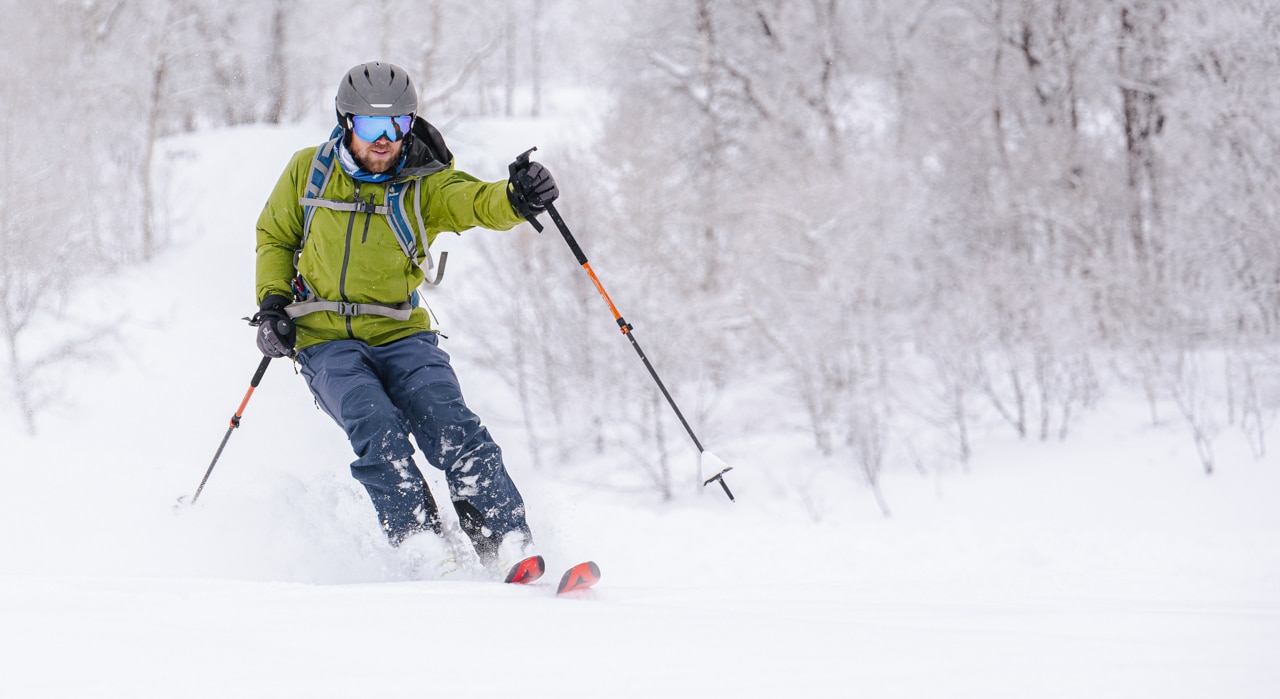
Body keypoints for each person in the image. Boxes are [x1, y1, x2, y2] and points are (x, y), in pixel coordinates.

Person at [251, 62, 558, 573]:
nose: (385, 139)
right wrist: (272, 305)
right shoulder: (309, 171)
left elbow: (476, 201)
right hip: (325, 339)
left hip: (401, 333)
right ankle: (423, 548)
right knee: (377, 425)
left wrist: (516, 198)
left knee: (450, 421)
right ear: (346, 122)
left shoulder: (424, 184)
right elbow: (276, 237)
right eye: (372, 127)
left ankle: (506, 543)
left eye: (398, 125)